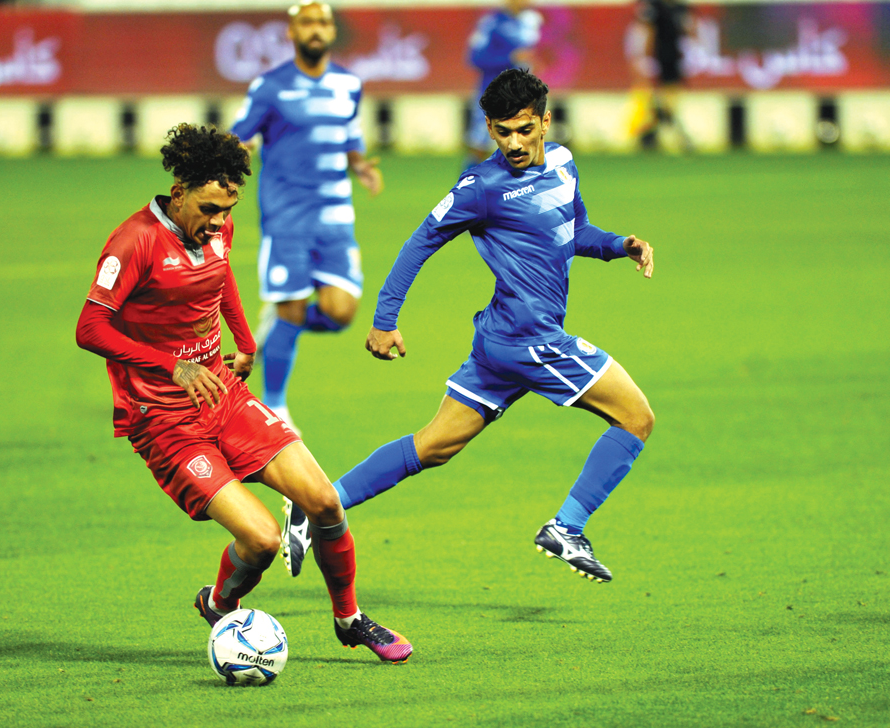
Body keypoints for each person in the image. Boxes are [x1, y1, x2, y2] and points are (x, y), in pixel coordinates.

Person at [282, 69, 655, 584]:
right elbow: (419, 243)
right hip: (531, 341)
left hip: (500, 339)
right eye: (503, 132)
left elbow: (573, 231)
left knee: (434, 446)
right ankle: (567, 526)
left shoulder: (565, 165)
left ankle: (315, 503)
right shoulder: (481, 187)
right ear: (489, 128)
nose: (515, 143)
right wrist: (385, 320)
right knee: (636, 418)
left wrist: (618, 246)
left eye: (525, 129)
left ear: (546, 121)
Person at [74, 123, 410, 664]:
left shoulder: (215, 229)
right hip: (164, 418)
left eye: (227, 211)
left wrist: (245, 339)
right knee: (261, 539)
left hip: (222, 393)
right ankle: (220, 602)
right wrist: (173, 366)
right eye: (208, 209)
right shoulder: (134, 241)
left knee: (323, 500)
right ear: (178, 193)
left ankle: (348, 620)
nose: (217, 223)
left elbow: (222, 275)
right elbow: (90, 328)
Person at [230, 0, 383, 433]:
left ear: (332, 32)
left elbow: (349, 131)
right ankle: (275, 407)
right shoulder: (270, 86)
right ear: (291, 34)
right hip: (287, 217)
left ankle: (275, 329)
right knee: (293, 310)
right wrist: (237, 157)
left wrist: (360, 165)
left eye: (323, 22)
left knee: (341, 312)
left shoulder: (349, 84)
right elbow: (242, 137)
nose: (316, 30)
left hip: (335, 215)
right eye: (307, 23)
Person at [464, 0, 543, 170]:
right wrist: (510, 58)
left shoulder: (532, 21)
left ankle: (521, 194)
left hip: (522, 95)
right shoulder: (492, 23)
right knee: (479, 147)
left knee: (526, 146)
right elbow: (476, 58)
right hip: (493, 93)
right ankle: (464, 192)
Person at [627, 0, 694, 151]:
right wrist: (645, 54)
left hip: (675, 57)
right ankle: (667, 135)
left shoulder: (681, 8)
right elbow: (648, 29)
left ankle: (653, 134)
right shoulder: (655, 6)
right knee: (665, 99)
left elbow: (688, 30)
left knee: (669, 99)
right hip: (661, 57)